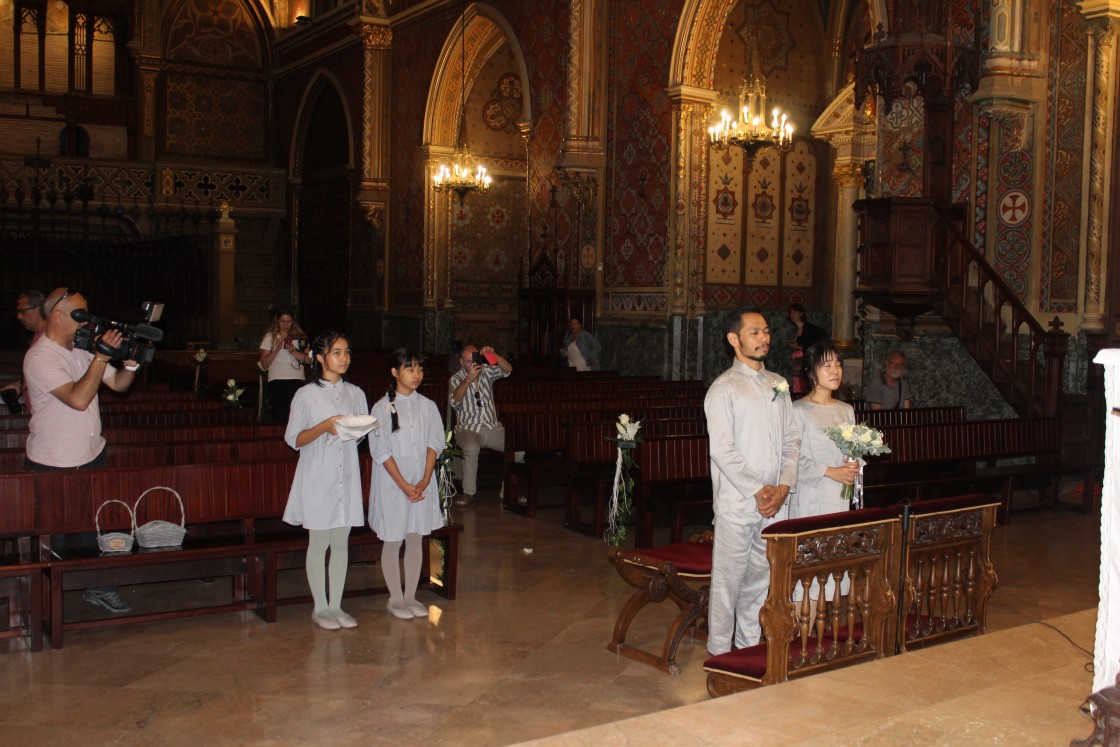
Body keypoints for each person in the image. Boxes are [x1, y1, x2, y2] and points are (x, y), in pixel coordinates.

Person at [23, 287, 140, 614]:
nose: (87, 320)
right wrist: (102, 356)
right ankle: (49, 603)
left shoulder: (81, 348)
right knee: (56, 537)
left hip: (91, 454)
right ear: (57, 316)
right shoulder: (40, 357)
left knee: (96, 528)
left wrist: (130, 364)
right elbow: (78, 399)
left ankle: (99, 589)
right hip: (53, 462)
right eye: (80, 315)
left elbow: (117, 384)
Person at [704, 306, 800, 655]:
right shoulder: (723, 389)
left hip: (774, 503)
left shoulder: (778, 384)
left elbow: (791, 438)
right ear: (734, 339)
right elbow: (723, 450)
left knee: (759, 584)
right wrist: (759, 490)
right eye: (754, 332)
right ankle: (718, 656)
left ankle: (746, 651)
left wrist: (784, 486)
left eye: (766, 331)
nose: (764, 338)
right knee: (727, 585)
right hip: (738, 504)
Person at [282, 330, 368, 631]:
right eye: (336, 352)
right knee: (319, 542)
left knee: (341, 541)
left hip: (346, 472)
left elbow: (359, 434)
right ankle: (320, 607)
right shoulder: (306, 395)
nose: (343, 357)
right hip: (317, 472)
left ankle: (336, 605)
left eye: (346, 352)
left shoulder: (356, 393)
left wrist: (355, 429)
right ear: (320, 357)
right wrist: (324, 427)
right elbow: (294, 438)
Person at [369, 349, 445, 620]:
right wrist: (403, 484)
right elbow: (381, 450)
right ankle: (396, 598)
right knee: (393, 539)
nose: (416, 374)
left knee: (415, 538)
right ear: (395, 372)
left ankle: (411, 596)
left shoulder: (428, 406)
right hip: (394, 485)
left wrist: (424, 479)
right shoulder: (382, 407)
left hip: (421, 483)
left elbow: (434, 443)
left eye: (420, 369)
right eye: (410, 368)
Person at [790, 342, 860, 519]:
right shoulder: (798, 410)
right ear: (811, 371)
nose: (835, 370)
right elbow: (791, 458)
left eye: (838, 364)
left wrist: (854, 463)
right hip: (811, 493)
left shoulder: (846, 410)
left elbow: (853, 449)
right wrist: (830, 471)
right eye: (827, 365)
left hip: (839, 492)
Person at [448, 343, 512, 506]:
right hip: (468, 428)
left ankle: (509, 489)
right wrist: (468, 379)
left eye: (474, 359)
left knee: (517, 445)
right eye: (468, 361)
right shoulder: (455, 378)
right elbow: (455, 400)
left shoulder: (486, 372)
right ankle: (469, 493)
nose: (472, 364)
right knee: (471, 447)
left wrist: (495, 355)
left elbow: (508, 369)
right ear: (462, 363)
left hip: (492, 427)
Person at [259, 308, 312, 422]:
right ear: (277, 321)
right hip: (277, 380)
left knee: (297, 416)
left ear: (293, 322)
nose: (285, 325)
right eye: (282, 321)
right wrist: (277, 349)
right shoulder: (270, 337)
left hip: (296, 379)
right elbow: (264, 363)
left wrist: (293, 351)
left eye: (288, 321)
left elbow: (309, 360)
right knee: (281, 415)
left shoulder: (300, 337)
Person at [1, 290, 47, 413]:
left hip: (51, 414)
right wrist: (20, 385)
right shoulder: (37, 338)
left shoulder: (51, 337)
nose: (19, 316)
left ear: (37, 309)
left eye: (22, 311)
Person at [787, 303, 826, 395]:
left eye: (795, 312)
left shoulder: (809, 328)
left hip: (806, 361)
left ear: (801, 313)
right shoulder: (796, 329)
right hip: (797, 361)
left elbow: (813, 345)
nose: (792, 315)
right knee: (796, 383)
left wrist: (797, 347)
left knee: (803, 384)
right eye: (790, 312)